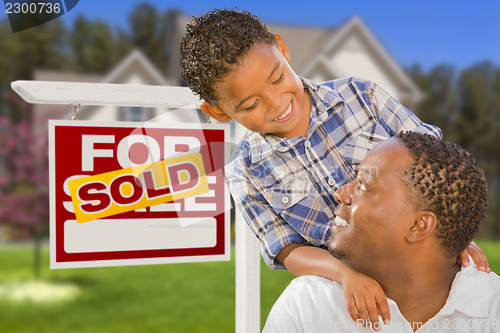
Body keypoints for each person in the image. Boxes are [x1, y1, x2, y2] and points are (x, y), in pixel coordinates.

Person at [179, 8, 490, 325]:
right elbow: (286, 250)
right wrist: (344, 274)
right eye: (251, 104)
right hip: (350, 300)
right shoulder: (246, 173)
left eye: (277, 78)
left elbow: (437, 169)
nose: (276, 103)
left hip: (420, 271)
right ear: (218, 112)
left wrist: (452, 238)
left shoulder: (361, 96)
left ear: (283, 49)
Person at [263, 132, 499, 332]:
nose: (341, 193)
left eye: (363, 186)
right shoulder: (308, 306)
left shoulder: (492, 309)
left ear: (419, 226)